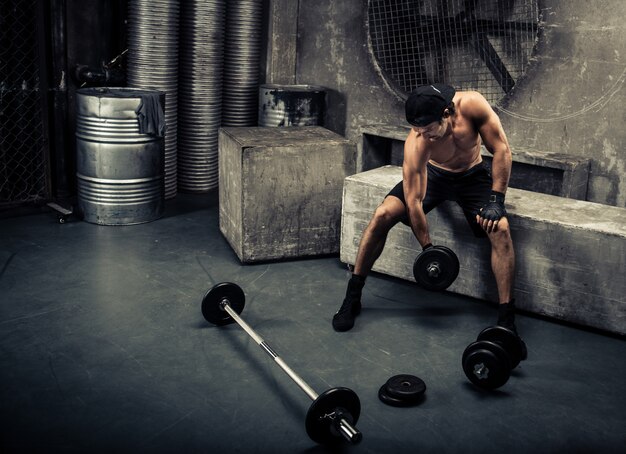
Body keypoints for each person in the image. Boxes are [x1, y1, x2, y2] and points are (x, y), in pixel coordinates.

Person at [333, 83, 518, 335]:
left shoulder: (473, 105)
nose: (423, 135)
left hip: (472, 175)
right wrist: (428, 249)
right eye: (417, 130)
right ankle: (352, 296)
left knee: (501, 229)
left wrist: (497, 199)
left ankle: (506, 318)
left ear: (446, 113)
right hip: (434, 175)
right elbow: (414, 202)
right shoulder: (417, 142)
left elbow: (502, 150)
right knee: (382, 215)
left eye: (429, 129)